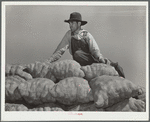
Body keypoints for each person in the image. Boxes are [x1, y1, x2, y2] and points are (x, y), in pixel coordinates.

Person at [52, 12, 125, 78]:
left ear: (79, 24)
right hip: (79, 63)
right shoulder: (68, 35)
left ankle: (110, 66)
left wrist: (100, 59)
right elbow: (59, 50)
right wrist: (48, 61)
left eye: (72, 23)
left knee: (78, 54)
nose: (70, 25)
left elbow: (94, 50)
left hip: (91, 60)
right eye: (69, 23)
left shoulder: (86, 35)